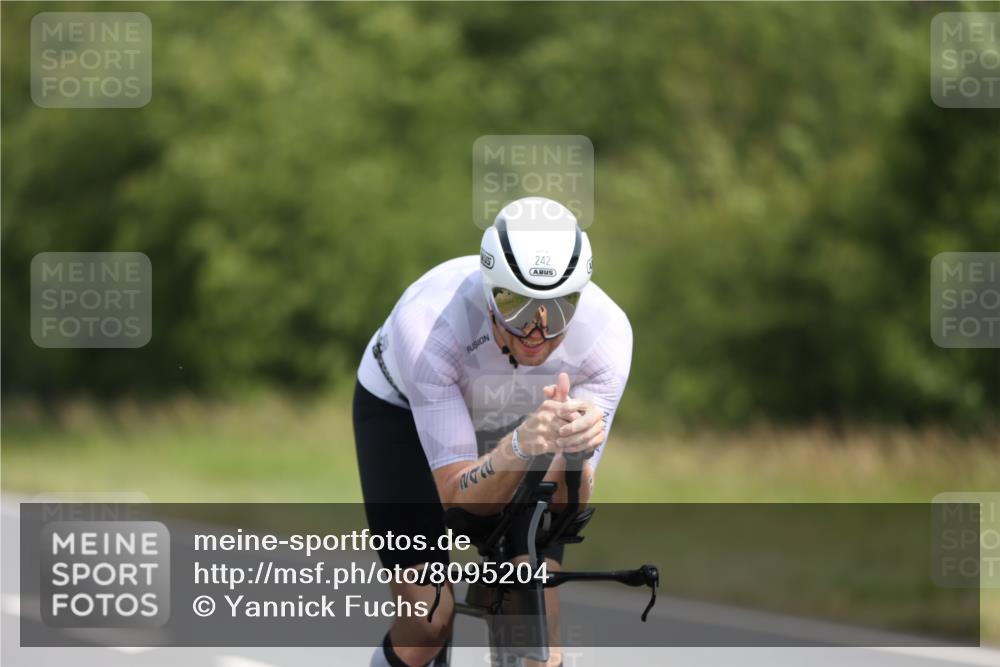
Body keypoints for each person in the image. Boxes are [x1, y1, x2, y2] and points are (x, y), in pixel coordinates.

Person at [354, 196, 632, 667]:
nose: (537, 331)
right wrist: (524, 444)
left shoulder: (608, 336)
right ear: (488, 292)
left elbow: (569, 511)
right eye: (515, 304)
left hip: (527, 418)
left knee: (538, 634)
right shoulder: (429, 324)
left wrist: (579, 454)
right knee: (426, 622)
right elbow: (458, 501)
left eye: (558, 308)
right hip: (403, 410)